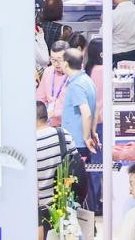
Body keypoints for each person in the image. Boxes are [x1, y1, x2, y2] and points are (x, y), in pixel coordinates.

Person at [60, 49, 99, 210]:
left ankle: (80, 218)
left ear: (65, 64)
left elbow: (87, 112)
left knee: (76, 186)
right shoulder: (87, 80)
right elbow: (96, 110)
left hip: (76, 142)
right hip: (81, 141)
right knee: (85, 183)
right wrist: (93, 132)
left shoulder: (76, 85)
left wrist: (86, 136)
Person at [35, 100, 68, 239]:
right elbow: (76, 165)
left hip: (39, 209)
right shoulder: (63, 134)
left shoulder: (30, 141)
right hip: (63, 205)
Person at [36, 41, 70, 126]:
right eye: (53, 60)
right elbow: (40, 97)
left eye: (59, 60)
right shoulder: (48, 71)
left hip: (68, 123)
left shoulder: (73, 74)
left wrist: (55, 112)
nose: (56, 64)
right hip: (49, 123)